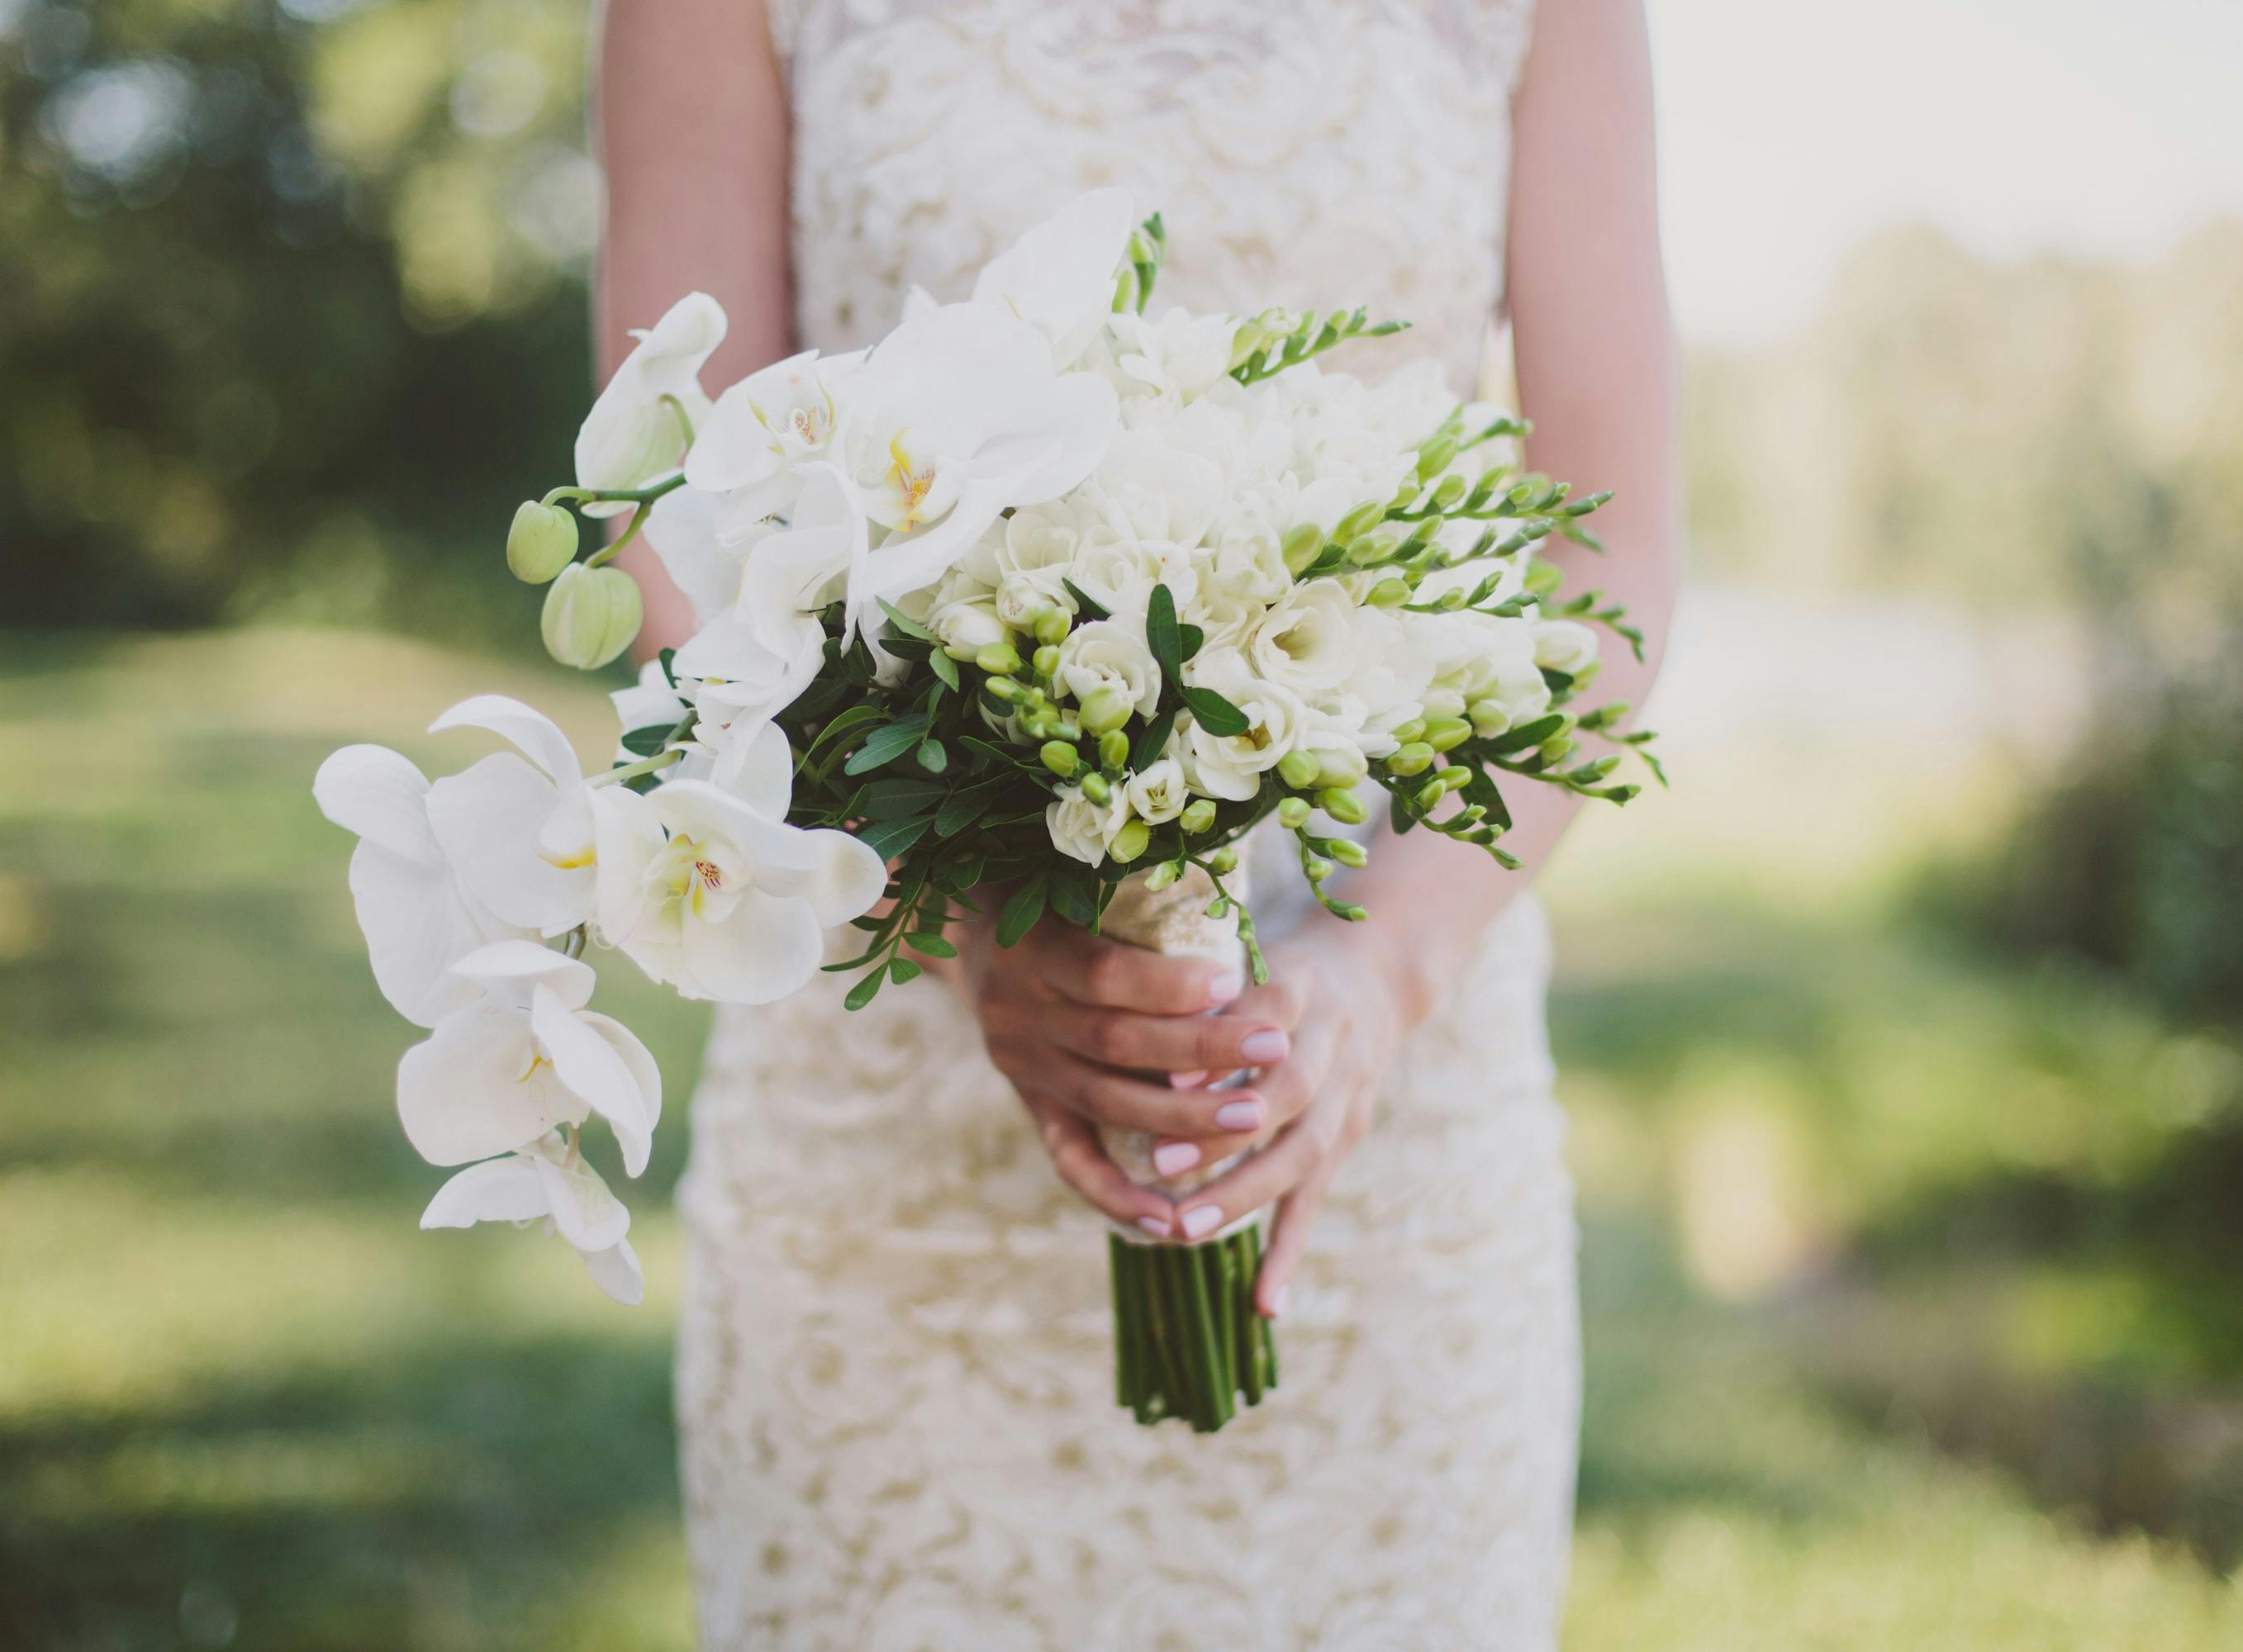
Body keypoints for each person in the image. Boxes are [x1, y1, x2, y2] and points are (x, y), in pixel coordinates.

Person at [596, 1, 1679, 1644]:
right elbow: (677, 536)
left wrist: (1373, 981)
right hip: (882, 1166)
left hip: (1385, 1126)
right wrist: (964, 924)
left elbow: (1610, 572)